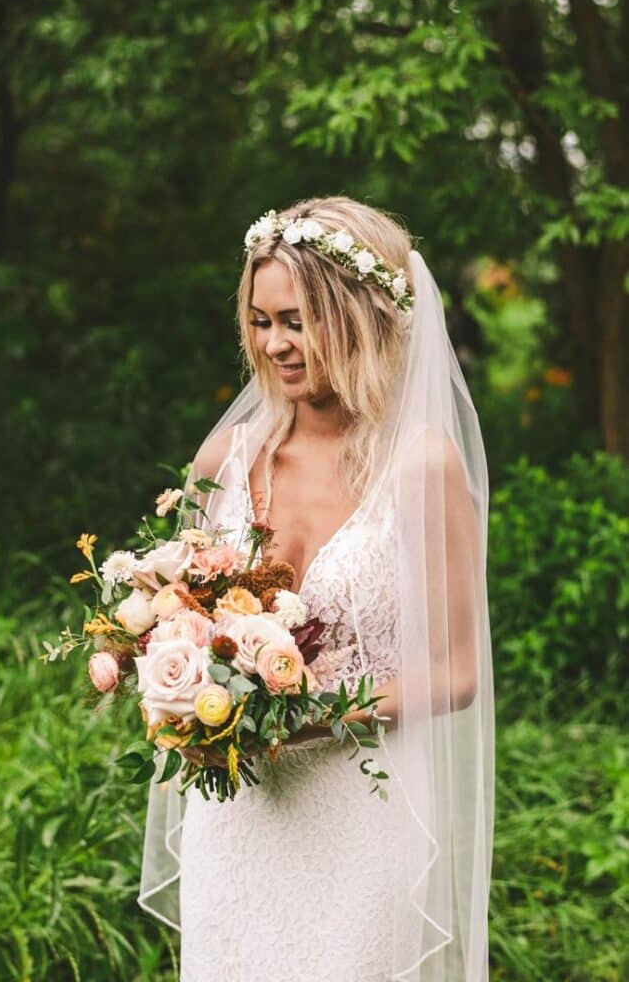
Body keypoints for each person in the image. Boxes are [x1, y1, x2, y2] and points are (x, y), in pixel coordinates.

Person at [139, 196, 495, 981]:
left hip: (356, 813)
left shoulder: (421, 465)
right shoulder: (225, 457)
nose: (274, 345)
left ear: (363, 318)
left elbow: (460, 669)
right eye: (261, 322)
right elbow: (174, 612)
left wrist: (317, 715)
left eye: (297, 321)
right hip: (236, 815)